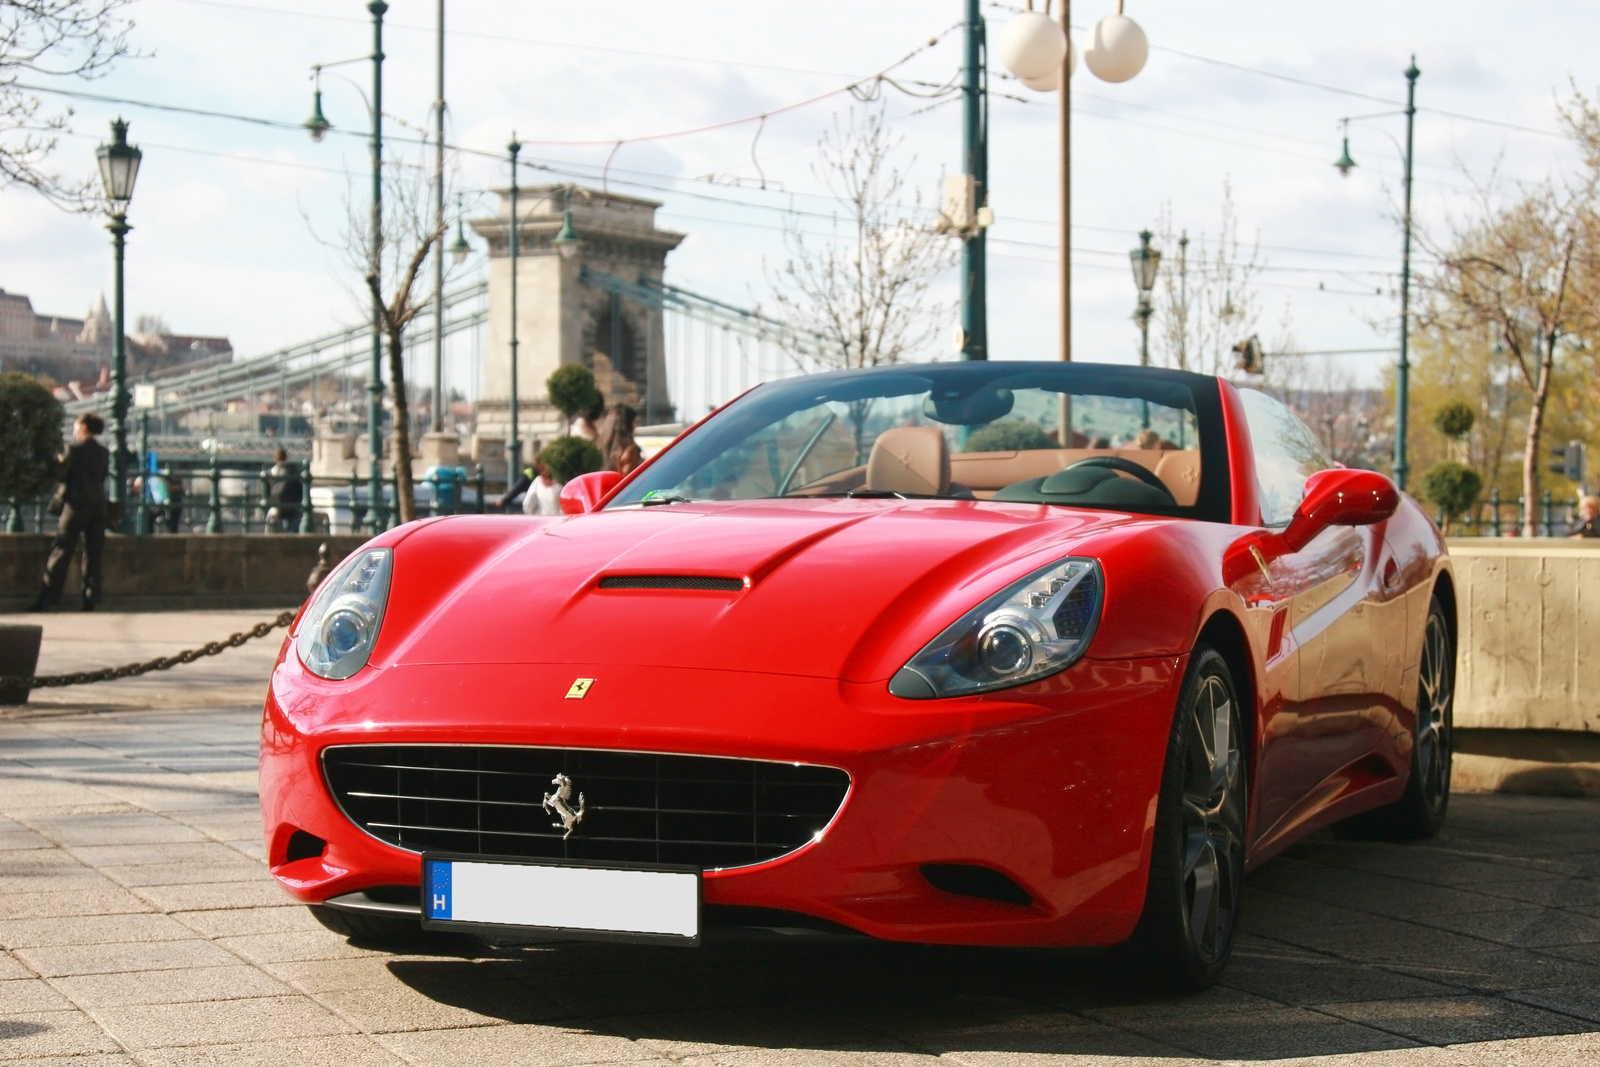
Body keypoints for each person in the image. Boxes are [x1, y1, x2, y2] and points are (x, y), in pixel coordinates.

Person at [34, 413, 110, 612]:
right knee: (93, 554)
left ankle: (47, 599)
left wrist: (60, 459)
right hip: (98, 506)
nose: (74, 431)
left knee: (62, 550)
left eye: (76, 427)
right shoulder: (104, 452)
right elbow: (101, 477)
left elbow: (61, 474)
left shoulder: (72, 449)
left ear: (84, 427)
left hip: (76, 505)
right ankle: (90, 600)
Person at [265, 448, 303, 532]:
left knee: (269, 520)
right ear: (287, 459)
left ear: (275, 459)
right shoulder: (293, 470)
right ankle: (292, 539)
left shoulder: (269, 472)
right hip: (291, 506)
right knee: (296, 520)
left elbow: (266, 493)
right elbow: (300, 488)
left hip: (275, 505)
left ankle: (268, 538)